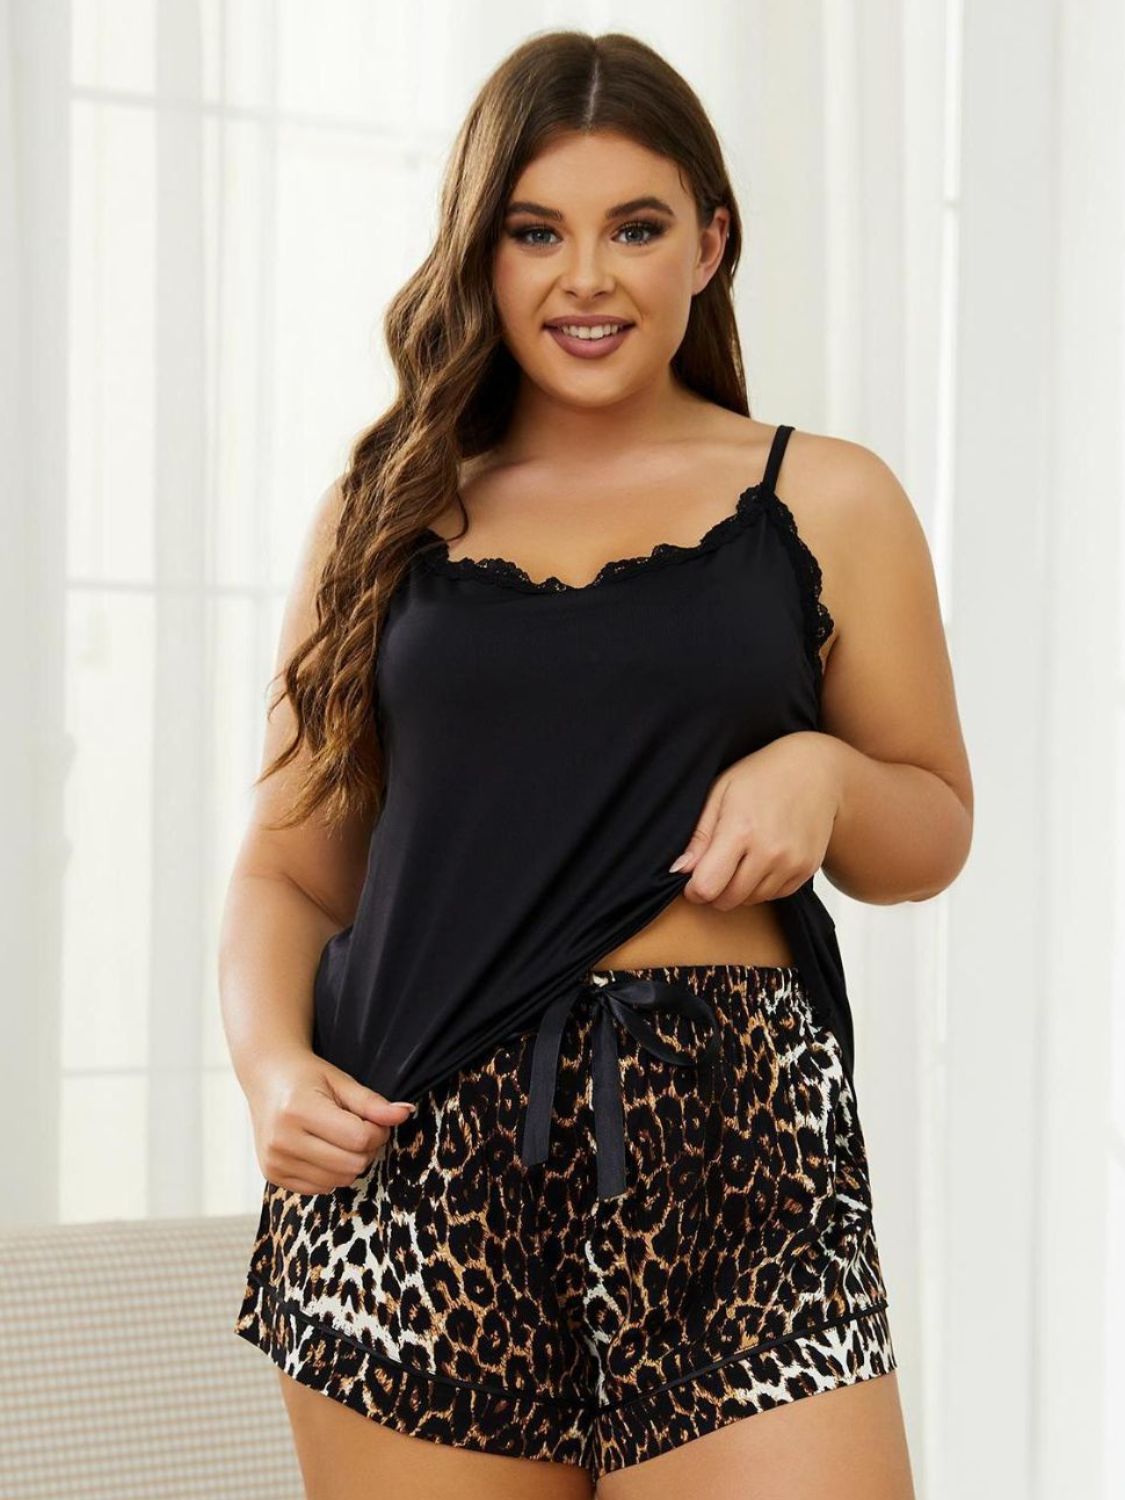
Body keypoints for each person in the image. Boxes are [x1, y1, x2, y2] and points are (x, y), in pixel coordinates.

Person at [221, 28, 968, 1500]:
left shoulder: (822, 496)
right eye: (534, 231)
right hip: (415, 1159)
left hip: (732, 1153)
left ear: (710, 243)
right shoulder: (384, 513)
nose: (586, 278)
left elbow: (929, 831)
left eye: (633, 228)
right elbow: (290, 868)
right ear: (479, 253)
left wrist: (822, 773)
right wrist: (268, 1068)